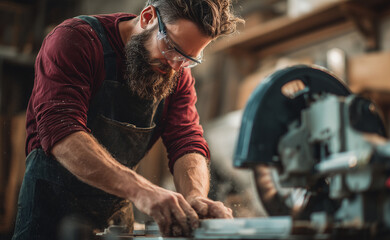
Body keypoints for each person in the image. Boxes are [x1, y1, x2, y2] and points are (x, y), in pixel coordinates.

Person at [12, 0, 243, 239]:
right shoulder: (75, 41)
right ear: (147, 17)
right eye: (171, 48)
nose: (175, 66)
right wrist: (142, 190)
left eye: (188, 59)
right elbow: (61, 130)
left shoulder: (177, 72)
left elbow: (186, 139)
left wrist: (196, 197)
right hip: (50, 214)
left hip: (115, 218)